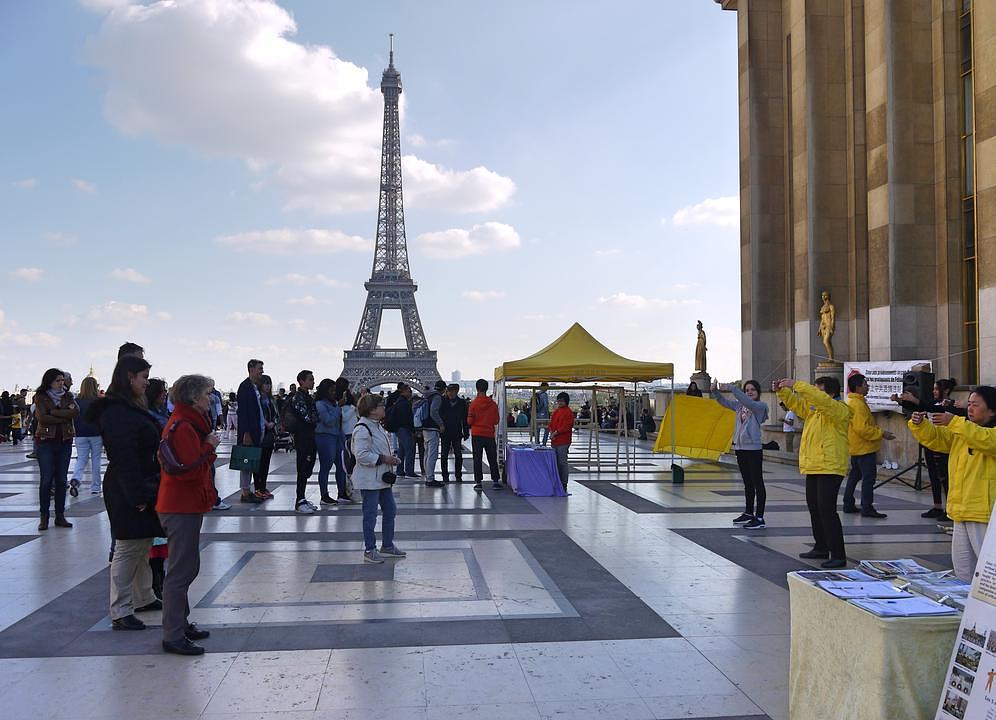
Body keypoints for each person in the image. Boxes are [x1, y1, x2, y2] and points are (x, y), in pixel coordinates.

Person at [89, 355, 164, 629]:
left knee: (142, 542)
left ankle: (143, 596)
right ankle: (120, 609)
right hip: (128, 486)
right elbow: (124, 458)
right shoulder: (117, 412)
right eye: (143, 377)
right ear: (129, 377)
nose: (147, 383)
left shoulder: (128, 407)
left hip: (138, 482)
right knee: (127, 547)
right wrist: (138, 495)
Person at [156, 374, 220, 655]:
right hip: (180, 505)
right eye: (207, 394)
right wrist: (209, 446)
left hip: (185, 503)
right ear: (194, 398)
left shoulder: (188, 423)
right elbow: (190, 468)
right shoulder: (184, 427)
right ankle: (173, 634)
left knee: (186, 567)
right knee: (182, 571)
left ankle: (180, 623)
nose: (211, 398)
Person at [909, 386, 996, 582]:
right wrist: (920, 425)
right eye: (969, 404)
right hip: (960, 510)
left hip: (984, 513)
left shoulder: (974, 431)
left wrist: (955, 422)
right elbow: (937, 439)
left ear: (992, 410)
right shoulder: (963, 431)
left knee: (989, 572)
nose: (970, 409)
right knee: (963, 571)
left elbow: (987, 441)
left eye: (976, 405)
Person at [775, 377, 852, 569]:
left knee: (827, 509)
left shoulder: (840, 409)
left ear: (829, 392)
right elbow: (798, 405)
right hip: (815, 464)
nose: (813, 394)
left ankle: (838, 554)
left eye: (818, 390)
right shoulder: (815, 411)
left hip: (831, 465)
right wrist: (782, 392)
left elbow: (822, 401)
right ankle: (821, 546)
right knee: (814, 507)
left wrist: (797, 385)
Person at [352, 393, 405, 564]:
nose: (384, 408)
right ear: (372, 410)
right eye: (381, 405)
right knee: (370, 515)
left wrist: (391, 458)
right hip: (370, 480)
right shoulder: (362, 429)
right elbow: (361, 455)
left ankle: (387, 545)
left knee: (390, 510)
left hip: (382, 479)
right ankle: (369, 549)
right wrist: (384, 459)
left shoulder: (377, 426)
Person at [712, 379, 769, 528]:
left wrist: (732, 388)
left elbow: (749, 403)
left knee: (758, 483)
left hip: (754, 449)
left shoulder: (760, 407)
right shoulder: (739, 406)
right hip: (741, 448)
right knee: (747, 483)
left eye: (752, 390)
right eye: (747, 390)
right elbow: (724, 402)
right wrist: (715, 392)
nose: (749, 392)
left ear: (758, 393)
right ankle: (748, 512)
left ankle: (760, 517)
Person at [842, 373, 896, 518]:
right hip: (864, 448)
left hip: (856, 447)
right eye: (865, 384)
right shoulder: (857, 404)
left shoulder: (855, 402)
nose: (868, 386)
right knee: (868, 478)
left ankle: (848, 503)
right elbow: (862, 428)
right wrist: (881, 433)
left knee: (855, 476)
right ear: (858, 387)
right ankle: (867, 507)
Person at [33, 368, 79, 530]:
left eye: (62, 380)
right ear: (49, 382)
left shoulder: (68, 396)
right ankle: (44, 516)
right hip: (46, 441)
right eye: (58, 380)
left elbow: (75, 411)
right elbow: (42, 418)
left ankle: (60, 515)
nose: (61, 383)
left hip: (64, 440)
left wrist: (54, 412)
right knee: (46, 480)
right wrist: (63, 414)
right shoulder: (41, 396)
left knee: (61, 480)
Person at [287, 370, 319, 513]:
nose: (313, 382)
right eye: (310, 379)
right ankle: (299, 500)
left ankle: (302, 498)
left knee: (307, 467)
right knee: (303, 468)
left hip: (308, 435)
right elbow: (308, 417)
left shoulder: (306, 396)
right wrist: (315, 418)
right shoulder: (298, 397)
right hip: (303, 437)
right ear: (302, 381)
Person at [236, 359, 265, 505]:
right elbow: (243, 412)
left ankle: (248, 490)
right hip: (249, 432)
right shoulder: (244, 387)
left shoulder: (254, 387)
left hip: (256, 430)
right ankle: (245, 491)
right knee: (246, 461)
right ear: (251, 369)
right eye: (260, 368)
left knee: (251, 460)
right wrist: (246, 433)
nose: (262, 371)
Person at [315, 378, 348, 506]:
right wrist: (338, 408)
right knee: (326, 466)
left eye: (335, 390)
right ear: (325, 391)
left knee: (341, 466)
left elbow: (338, 421)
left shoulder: (333, 403)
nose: (334, 392)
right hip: (325, 436)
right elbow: (328, 420)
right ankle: (324, 495)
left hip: (336, 436)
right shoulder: (320, 404)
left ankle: (342, 493)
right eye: (332, 390)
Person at [71, 376, 103, 496]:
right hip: (96, 434)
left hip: (80, 434)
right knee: (96, 460)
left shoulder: (76, 401)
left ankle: (76, 479)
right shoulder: (98, 402)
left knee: (81, 459)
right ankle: (95, 487)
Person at [467, 379, 501, 491]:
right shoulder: (493, 404)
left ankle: (478, 482)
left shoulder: (473, 404)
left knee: (477, 458)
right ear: (487, 389)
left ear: (477, 388)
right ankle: (495, 481)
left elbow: (470, 422)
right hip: (489, 434)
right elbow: (496, 420)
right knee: (492, 458)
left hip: (477, 434)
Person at [253, 374, 277, 499]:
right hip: (260, 433)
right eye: (265, 383)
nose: (267, 386)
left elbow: (275, 415)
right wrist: (266, 423)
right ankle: (258, 487)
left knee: (266, 462)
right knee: (259, 463)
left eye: (269, 383)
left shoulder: (270, 399)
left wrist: (273, 423)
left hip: (269, 433)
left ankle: (263, 487)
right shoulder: (258, 399)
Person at [439, 383, 469, 483]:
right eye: (449, 391)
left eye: (453, 391)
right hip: (445, 432)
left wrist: (466, 432)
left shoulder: (461, 403)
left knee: (458, 455)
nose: (450, 393)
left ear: (456, 392)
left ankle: (458, 475)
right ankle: (445, 475)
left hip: (456, 432)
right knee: (444, 455)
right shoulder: (442, 402)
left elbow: (464, 419)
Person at [421, 380, 446, 488]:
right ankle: (430, 478)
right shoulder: (437, 397)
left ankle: (428, 475)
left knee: (427, 453)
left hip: (425, 427)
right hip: (432, 428)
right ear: (444, 389)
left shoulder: (427, 396)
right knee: (432, 454)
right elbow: (433, 412)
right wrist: (441, 424)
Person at [549, 391, 575, 490]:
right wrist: (551, 431)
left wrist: (556, 432)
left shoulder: (568, 412)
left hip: (563, 441)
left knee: (562, 462)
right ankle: (557, 480)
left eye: (561, 401)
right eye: (558, 401)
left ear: (566, 401)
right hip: (555, 440)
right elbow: (551, 423)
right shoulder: (556, 411)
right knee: (555, 462)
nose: (559, 403)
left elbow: (566, 427)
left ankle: (564, 482)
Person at [389, 383, 416, 477]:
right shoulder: (404, 403)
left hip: (399, 429)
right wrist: (412, 430)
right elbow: (407, 419)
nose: (410, 393)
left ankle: (400, 470)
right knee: (410, 449)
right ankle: (409, 471)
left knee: (402, 450)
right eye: (409, 391)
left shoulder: (399, 402)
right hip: (404, 429)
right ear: (404, 392)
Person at [338, 380, 358, 483]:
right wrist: (353, 409)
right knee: (348, 455)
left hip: (352, 432)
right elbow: (344, 418)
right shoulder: (344, 408)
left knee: (351, 454)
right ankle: (349, 472)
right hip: (347, 433)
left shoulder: (350, 407)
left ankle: (351, 472)